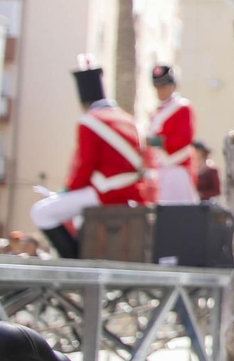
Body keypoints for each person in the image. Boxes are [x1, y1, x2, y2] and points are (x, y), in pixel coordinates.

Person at [29, 58, 154, 258]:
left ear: (84, 102)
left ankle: (73, 261)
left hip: (104, 193)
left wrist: (67, 190)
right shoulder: (130, 121)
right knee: (77, 217)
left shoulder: (89, 121)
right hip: (131, 193)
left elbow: (85, 166)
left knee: (41, 212)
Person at [146, 64, 198, 203]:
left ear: (173, 86)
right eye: (157, 87)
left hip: (177, 166)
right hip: (159, 168)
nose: (160, 91)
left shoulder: (182, 108)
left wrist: (159, 141)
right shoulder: (156, 112)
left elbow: (185, 138)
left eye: (163, 86)